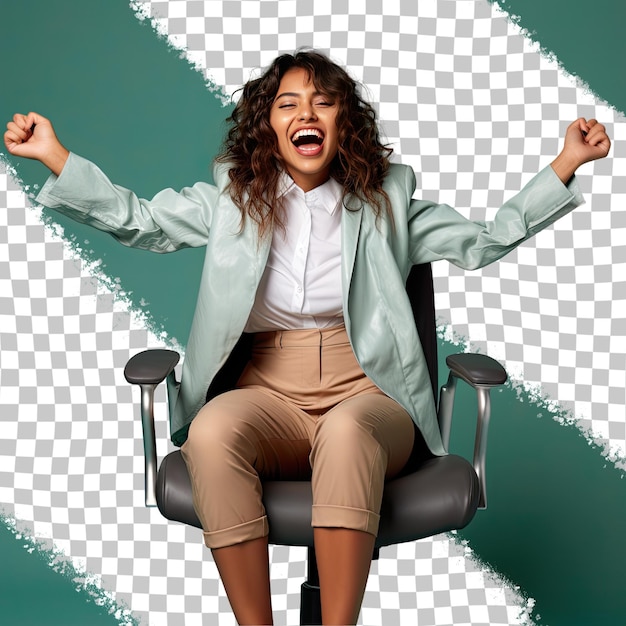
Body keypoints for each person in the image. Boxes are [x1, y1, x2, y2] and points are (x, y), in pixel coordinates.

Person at [4, 50, 610, 625]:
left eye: (323, 103)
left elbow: (484, 240)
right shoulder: (231, 202)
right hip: (269, 391)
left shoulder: (387, 203)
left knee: (348, 434)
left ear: (345, 121)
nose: (307, 115)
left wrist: (565, 163)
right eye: (288, 104)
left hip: (370, 392)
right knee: (213, 433)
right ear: (266, 126)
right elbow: (139, 221)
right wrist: (55, 156)